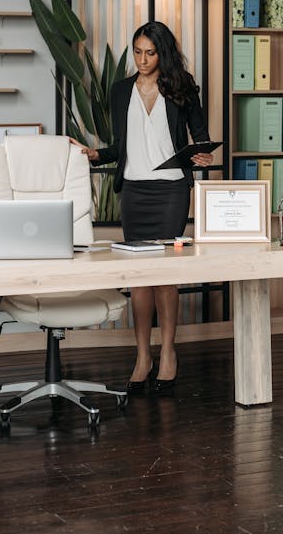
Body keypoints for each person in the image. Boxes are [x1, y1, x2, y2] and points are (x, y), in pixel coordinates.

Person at [72, 21, 213, 395]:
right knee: (139, 279)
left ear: (163, 53)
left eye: (150, 53)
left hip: (170, 193)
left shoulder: (182, 89)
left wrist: (201, 154)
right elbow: (123, 146)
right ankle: (142, 355)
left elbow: (200, 137)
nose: (143, 59)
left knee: (165, 276)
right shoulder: (121, 91)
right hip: (134, 192)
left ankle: (167, 352)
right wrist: (96, 153)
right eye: (137, 52)